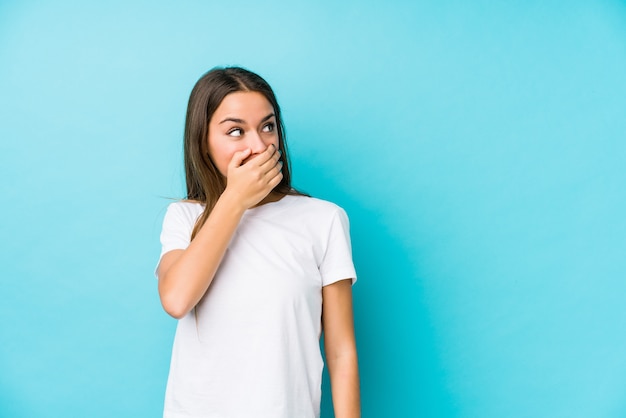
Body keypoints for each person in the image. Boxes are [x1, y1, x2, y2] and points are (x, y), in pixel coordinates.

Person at [156, 66, 360, 418]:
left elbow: (341, 352)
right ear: (203, 141)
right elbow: (176, 299)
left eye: (267, 127)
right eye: (236, 131)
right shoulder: (184, 218)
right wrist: (235, 200)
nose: (259, 145)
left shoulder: (323, 220)